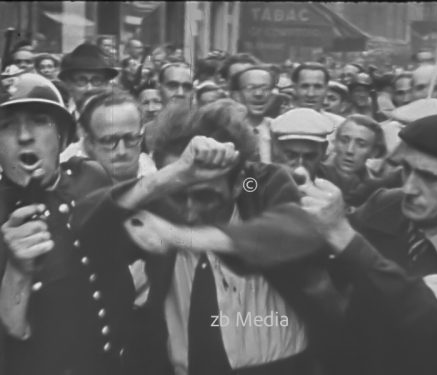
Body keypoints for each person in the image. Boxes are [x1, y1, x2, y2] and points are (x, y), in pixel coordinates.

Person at [0, 73, 254, 375]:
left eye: (40, 121)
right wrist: (17, 271)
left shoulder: (90, 176)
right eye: (7, 126)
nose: (24, 135)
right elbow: (12, 339)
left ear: (63, 135)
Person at [125, 99, 343, 375]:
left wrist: (189, 238)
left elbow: (297, 229)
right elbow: (90, 221)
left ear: (238, 182)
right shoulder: (156, 200)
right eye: (179, 194)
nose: (190, 213)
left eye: (205, 195)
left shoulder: (261, 187)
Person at [298, 113, 437, 375]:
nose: (410, 188)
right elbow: (319, 256)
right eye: (406, 170)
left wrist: (342, 234)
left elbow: (425, 313)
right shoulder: (387, 204)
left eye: (430, 177)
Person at [58, 43, 119, 116]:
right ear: (68, 84)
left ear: (106, 85)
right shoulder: (60, 117)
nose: (89, 88)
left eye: (96, 81)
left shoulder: (116, 118)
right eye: (81, 80)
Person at [231, 66, 275, 163]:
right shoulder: (228, 130)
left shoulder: (278, 129)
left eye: (265, 88)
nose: (258, 94)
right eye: (250, 88)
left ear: (272, 96)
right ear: (236, 95)